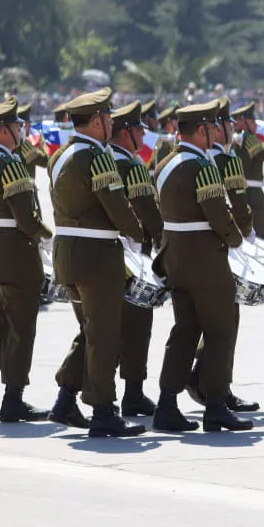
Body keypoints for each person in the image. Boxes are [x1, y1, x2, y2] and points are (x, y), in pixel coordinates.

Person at [47, 87, 146, 437]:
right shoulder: (98, 157)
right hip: (97, 256)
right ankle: (104, 410)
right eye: (107, 118)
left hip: (67, 253)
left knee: (90, 330)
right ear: (98, 121)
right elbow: (117, 207)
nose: (109, 124)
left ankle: (65, 397)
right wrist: (139, 233)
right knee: (105, 335)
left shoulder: (59, 155)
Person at [151, 99, 253, 432]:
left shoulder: (165, 162)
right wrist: (237, 242)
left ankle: (167, 404)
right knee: (219, 331)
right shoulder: (203, 166)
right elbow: (219, 217)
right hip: (205, 259)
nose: (215, 133)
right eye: (211, 128)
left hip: (176, 256)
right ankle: (216, 406)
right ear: (202, 130)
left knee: (183, 332)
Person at [0, 98, 52, 423]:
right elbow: (26, 217)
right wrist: (47, 236)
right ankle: (13, 398)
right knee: (20, 327)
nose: (23, 130)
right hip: (14, 254)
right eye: (18, 125)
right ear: (5, 130)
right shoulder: (9, 164)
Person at [187, 101, 259, 412]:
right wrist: (245, 239)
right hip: (226, 246)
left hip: (203, 247)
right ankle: (217, 386)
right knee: (226, 321)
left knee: (213, 321)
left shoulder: (200, 158)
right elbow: (239, 206)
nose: (230, 129)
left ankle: (208, 379)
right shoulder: (225, 160)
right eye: (226, 123)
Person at [108, 100, 164, 417]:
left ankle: (71, 393)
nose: (144, 133)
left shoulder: (101, 162)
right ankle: (131, 393)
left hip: (107, 254)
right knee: (136, 327)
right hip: (134, 257)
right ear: (126, 133)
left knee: (102, 329)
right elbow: (148, 213)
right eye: (139, 128)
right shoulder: (130, 166)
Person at [233, 100, 264, 241]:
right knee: (260, 230)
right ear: (246, 121)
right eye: (253, 121)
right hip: (253, 192)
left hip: (243, 190)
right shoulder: (250, 138)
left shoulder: (239, 139)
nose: (255, 125)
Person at [150, 106, 177, 171]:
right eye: (176, 119)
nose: (179, 122)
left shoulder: (163, 137)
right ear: (169, 122)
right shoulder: (164, 140)